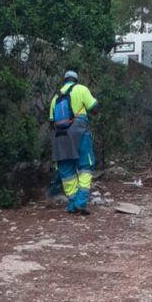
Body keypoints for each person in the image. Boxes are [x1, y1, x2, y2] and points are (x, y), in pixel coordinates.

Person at [49, 70, 98, 215]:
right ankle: (81, 202)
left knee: (66, 170)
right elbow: (94, 107)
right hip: (79, 132)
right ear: (76, 79)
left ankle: (72, 204)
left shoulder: (55, 98)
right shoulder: (81, 89)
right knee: (86, 166)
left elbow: (51, 121)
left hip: (60, 136)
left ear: (64, 80)